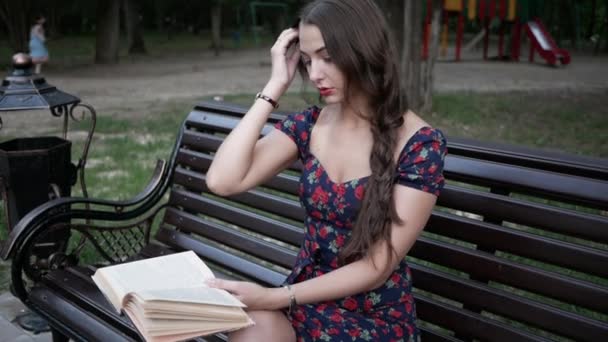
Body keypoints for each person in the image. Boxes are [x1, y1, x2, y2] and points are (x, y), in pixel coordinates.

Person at [205, 0, 447, 341]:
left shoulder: (419, 145)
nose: (315, 73)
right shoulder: (309, 125)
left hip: (373, 318)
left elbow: (378, 267)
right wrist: (275, 86)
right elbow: (222, 180)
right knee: (250, 332)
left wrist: (277, 296)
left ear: (363, 50)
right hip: (306, 303)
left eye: (328, 57)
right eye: (307, 60)